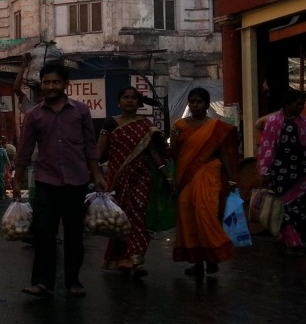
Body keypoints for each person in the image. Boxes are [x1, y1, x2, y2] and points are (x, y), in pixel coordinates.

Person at [11, 62, 107, 298]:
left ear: (65, 84)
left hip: (77, 180)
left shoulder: (81, 111)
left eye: (55, 82)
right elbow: (24, 150)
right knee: (44, 233)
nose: (51, 87)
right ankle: (43, 282)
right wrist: (17, 179)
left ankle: (73, 281)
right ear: (41, 85)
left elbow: (90, 147)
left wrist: (97, 175)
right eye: (46, 82)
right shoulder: (34, 115)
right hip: (46, 180)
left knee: (74, 234)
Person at [97, 86, 169, 278]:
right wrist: (95, 174)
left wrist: (166, 175)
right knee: (120, 218)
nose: (130, 101)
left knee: (138, 213)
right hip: (117, 178)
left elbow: (153, 153)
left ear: (139, 103)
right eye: (125, 97)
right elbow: (99, 152)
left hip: (141, 176)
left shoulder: (146, 125)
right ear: (118, 102)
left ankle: (136, 259)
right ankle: (121, 258)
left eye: (133, 98)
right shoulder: (111, 123)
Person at [169, 86, 237, 276]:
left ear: (207, 104)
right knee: (188, 217)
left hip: (209, 174)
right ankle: (198, 263)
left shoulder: (216, 127)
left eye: (199, 101)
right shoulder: (178, 126)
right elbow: (173, 153)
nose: (195, 105)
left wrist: (232, 178)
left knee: (206, 215)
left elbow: (223, 153)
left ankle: (213, 258)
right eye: (192, 101)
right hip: (185, 177)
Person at [256, 89, 306, 248]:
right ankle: (293, 241)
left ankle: (287, 238)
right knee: (287, 208)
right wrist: (264, 171)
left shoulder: (304, 121)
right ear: (288, 104)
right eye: (298, 104)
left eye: (302, 104)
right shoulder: (274, 122)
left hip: (302, 173)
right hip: (282, 172)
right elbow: (268, 147)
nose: (301, 107)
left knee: (303, 206)